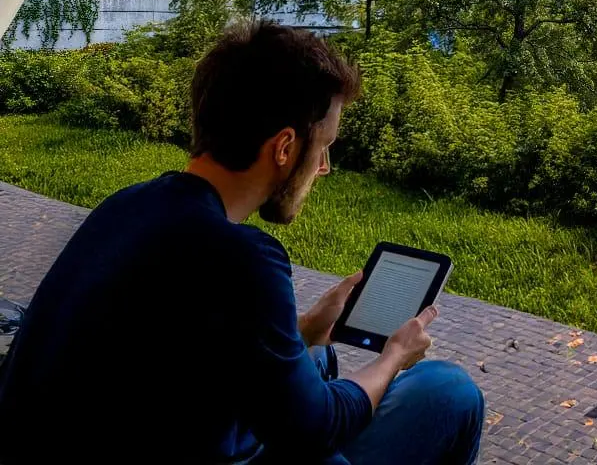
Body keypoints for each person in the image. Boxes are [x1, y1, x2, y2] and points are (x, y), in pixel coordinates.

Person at [0, 23, 483, 464]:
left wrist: (309, 327)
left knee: (317, 356)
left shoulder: (129, 207)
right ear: (285, 147)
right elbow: (315, 427)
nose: (324, 168)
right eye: (324, 147)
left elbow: (188, 339)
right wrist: (393, 356)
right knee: (447, 390)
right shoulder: (242, 257)